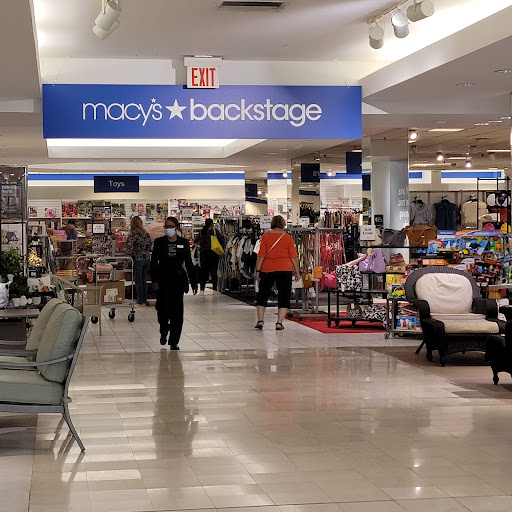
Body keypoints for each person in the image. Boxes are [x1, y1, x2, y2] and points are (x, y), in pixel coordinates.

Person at [150, 217, 197, 349]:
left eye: (170, 226)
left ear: (176, 227)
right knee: (162, 311)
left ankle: (174, 341)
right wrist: (154, 280)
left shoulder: (184, 242)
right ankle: (164, 330)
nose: (168, 229)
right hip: (163, 280)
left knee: (177, 313)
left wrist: (194, 282)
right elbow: (153, 263)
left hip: (178, 281)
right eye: (166, 226)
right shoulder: (159, 242)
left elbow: (188, 263)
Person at [254, 215, 301, 331]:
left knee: (263, 294)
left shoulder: (265, 236)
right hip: (284, 269)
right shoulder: (288, 238)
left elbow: (261, 255)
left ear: (272, 224)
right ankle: (279, 323)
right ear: (283, 224)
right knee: (284, 295)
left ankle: (260, 320)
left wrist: (257, 270)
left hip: (267, 269)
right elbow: (294, 256)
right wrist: (297, 272)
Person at [126, 216, 152, 308]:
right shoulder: (146, 234)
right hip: (146, 259)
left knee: (138, 281)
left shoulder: (133, 234)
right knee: (144, 281)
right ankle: (144, 301)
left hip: (137, 259)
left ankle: (140, 302)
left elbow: (129, 248)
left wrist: (127, 261)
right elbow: (150, 246)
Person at [195, 218, 224, 295]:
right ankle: (214, 289)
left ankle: (202, 290)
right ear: (212, 224)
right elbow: (222, 242)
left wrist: (199, 248)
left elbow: (195, 241)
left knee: (203, 272)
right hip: (214, 254)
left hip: (203, 254)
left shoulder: (202, 232)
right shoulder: (215, 232)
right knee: (214, 272)